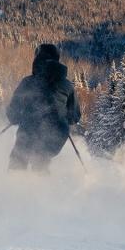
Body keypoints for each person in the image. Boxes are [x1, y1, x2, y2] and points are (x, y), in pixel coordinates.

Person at [6, 44, 81, 172]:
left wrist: (17, 117)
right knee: (41, 161)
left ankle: (14, 187)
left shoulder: (28, 82)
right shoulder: (67, 85)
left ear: (37, 60)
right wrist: (63, 117)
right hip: (57, 135)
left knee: (18, 159)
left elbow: (13, 112)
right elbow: (74, 117)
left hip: (30, 130)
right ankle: (43, 189)